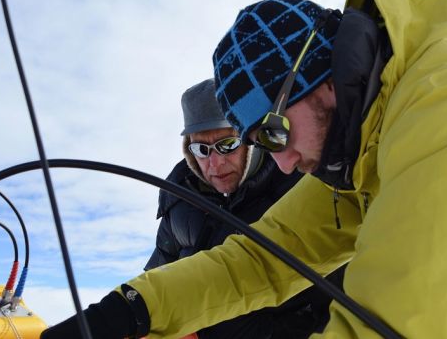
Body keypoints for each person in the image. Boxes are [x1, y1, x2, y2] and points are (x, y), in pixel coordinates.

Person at [42, 0, 447, 339]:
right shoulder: (360, 147)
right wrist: (123, 312)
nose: (278, 163)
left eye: (272, 133)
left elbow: (400, 324)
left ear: (318, 79)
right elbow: (259, 261)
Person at [141, 79, 342, 338]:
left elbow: (341, 288)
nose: (214, 164)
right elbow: (158, 277)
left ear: (251, 136)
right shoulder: (179, 200)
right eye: (201, 149)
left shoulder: (301, 185)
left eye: (227, 145)